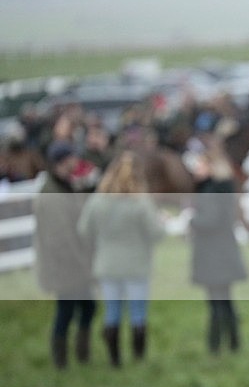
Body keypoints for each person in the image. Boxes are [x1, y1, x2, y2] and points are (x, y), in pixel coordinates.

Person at [78, 151, 164, 367]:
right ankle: (138, 357)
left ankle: (114, 360)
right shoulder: (141, 202)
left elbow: (83, 230)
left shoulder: (98, 201)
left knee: (112, 312)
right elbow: (156, 234)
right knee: (137, 312)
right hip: (136, 265)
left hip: (107, 264)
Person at [33, 141, 96, 369]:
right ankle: (61, 361)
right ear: (63, 161)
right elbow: (61, 238)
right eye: (73, 157)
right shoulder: (52, 193)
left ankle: (82, 354)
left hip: (74, 264)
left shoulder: (64, 185)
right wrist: (84, 265)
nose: (76, 161)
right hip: (65, 266)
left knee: (87, 307)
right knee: (66, 311)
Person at [186, 136, 247, 353]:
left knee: (216, 303)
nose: (196, 169)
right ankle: (233, 343)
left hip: (212, 255)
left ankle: (215, 346)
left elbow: (209, 220)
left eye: (200, 164)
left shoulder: (210, 191)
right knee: (226, 301)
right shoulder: (223, 188)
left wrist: (192, 220)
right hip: (224, 252)